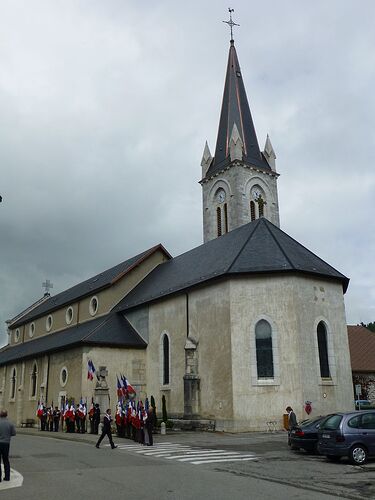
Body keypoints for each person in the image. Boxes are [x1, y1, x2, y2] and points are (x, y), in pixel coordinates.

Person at [0, 409, 16, 482]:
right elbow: (13, 433)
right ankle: (7, 477)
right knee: (6, 460)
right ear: (6, 415)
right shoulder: (10, 423)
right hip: (6, 443)